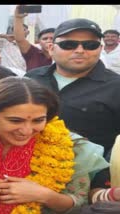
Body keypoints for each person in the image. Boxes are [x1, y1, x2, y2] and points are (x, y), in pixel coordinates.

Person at [0, 76, 108, 213]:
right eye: (15, 120)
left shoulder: (72, 146)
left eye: (38, 120)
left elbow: (79, 204)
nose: (26, 130)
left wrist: (43, 195)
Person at [25, 18, 120, 158]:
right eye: (68, 45)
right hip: (26, 166)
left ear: (100, 49)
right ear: (51, 48)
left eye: (90, 45)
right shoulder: (32, 78)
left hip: (91, 174)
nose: (80, 51)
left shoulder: (115, 86)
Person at [14, 5, 54, 71]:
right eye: (45, 39)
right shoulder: (33, 53)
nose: (48, 41)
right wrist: (18, 18)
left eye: (52, 38)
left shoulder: (64, 55)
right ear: (39, 42)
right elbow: (20, 39)